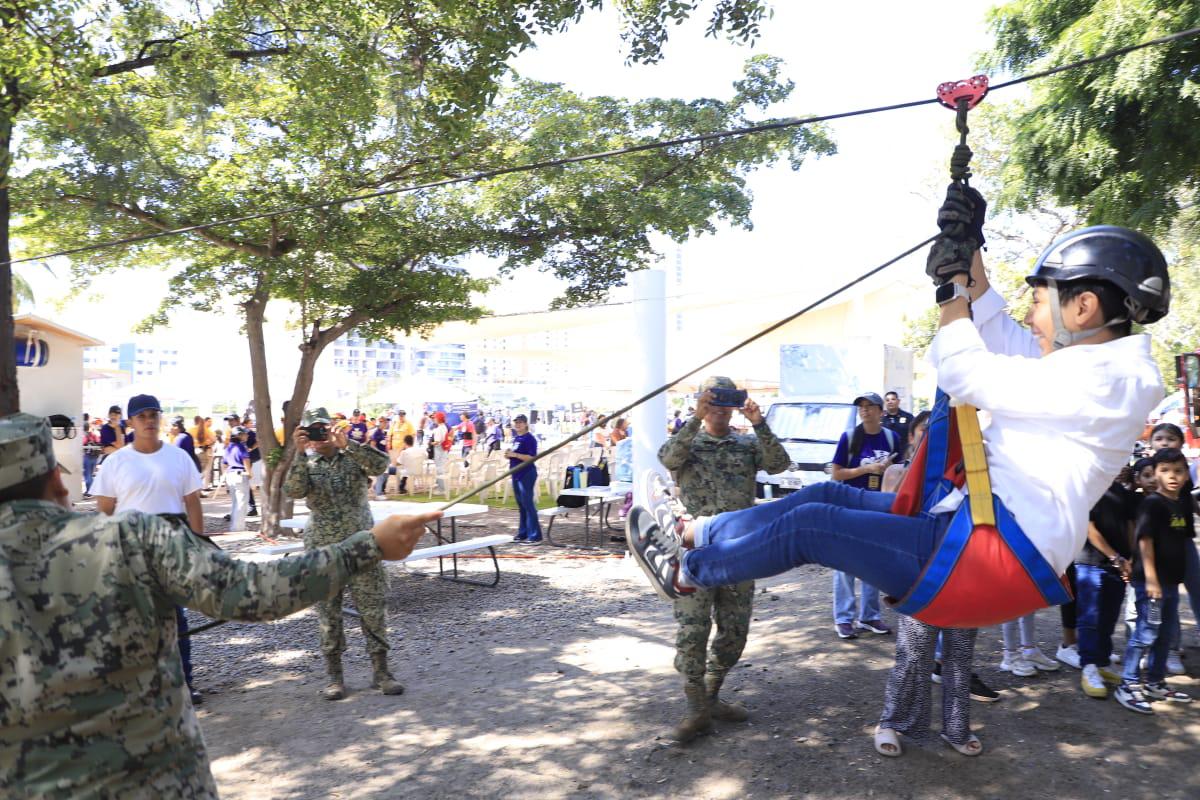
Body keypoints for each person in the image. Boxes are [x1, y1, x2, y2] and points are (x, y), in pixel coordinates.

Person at [627, 211, 1169, 642]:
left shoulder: (1112, 380)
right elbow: (996, 329)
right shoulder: (1090, 366)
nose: (1031, 316)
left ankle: (691, 570)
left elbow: (965, 367)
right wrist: (968, 245)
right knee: (821, 497)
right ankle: (694, 531)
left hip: (992, 555)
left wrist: (949, 293)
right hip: (977, 530)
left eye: (1038, 301)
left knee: (812, 526)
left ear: (1084, 307)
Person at [0, 412, 439, 797]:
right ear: (56, 478)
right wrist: (365, 548)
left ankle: (379, 668)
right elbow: (249, 591)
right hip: (152, 784)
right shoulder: (130, 539)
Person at [655, 377, 791, 743]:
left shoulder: (746, 444)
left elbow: (780, 464)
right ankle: (696, 709)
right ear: (701, 402)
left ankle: (712, 694)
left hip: (739, 551)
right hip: (695, 551)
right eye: (711, 400)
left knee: (734, 631)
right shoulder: (689, 442)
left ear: (734, 405)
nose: (718, 406)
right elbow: (667, 458)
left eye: (724, 400)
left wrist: (759, 423)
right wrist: (694, 419)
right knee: (692, 631)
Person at [90, 395, 206, 705]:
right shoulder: (115, 463)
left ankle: (184, 683)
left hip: (172, 554)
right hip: (131, 556)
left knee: (176, 621)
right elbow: (104, 511)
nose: (149, 420)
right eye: (142, 416)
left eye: (154, 414)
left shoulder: (178, 458)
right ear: (130, 422)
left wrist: (198, 549)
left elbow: (193, 503)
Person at [284, 408, 399, 700]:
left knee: (372, 608)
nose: (320, 436)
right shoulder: (307, 464)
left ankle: (381, 672)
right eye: (313, 430)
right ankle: (335, 677)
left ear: (333, 428)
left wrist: (348, 444)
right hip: (323, 550)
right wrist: (298, 453)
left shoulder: (353, 456)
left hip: (361, 546)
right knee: (328, 613)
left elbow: (381, 465)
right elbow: (294, 490)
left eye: (323, 428)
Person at [1114, 448, 1195, 713]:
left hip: (1171, 584)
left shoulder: (1180, 503)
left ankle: (1155, 681)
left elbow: (1180, 542)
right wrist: (1151, 580)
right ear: (1156, 473)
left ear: (1186, 475)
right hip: (1152, 585)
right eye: (1165, 471)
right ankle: (1127, 684)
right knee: (1146, 632)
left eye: (1178, 471)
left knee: (1166, 634)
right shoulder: (1153, 503)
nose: (1172, 476)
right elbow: (1145, 541)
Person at [829, 392, 901, 639]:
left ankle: (869, 616)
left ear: (881, 411)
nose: (865, 410)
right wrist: (867, 469)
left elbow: (901, 471)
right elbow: (836, 474)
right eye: (861, 406)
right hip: (849, 507)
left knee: (873, 563)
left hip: (878, 509)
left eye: (870, 406)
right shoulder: (849, 438)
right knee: (845, 564)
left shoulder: (892, 438)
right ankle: (844, 618)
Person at [1076, 476, 1136, 698]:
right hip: (1091, 562)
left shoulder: (1121, 490)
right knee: (1089, 619)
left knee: (1109, 618)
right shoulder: (1087, 486)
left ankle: (1102, 662)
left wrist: (1130, 559)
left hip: (1118, 566)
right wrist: (1116, 557)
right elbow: (1089, 529)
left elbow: (1130, 525)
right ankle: (1089, 666)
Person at [505, 414, 542, 544]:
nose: (518, 424)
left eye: (520, 422)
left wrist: (514, 454)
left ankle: (535, 535)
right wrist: (509, 455)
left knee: (528, 504)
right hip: (516, 473)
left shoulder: (530, 439)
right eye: (516, 422)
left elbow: (531, 457)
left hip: (526, 473)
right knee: (521, 505)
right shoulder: (517, 438)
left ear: (526, 424)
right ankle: (523, 533)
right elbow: (516, 455)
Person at [223, 425, 252, 531]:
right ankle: (238, 527)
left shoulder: (229, 447)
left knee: (235, 502)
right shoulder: (241, 446)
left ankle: (235, 526)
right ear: (239, 435)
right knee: (242, 502)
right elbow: (246, 459)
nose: (247, 435)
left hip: (230, 475)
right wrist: (249, 472)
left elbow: (224, 463)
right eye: (245, 433)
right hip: (240, 475)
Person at [189, 415, 217, 491]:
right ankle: (199, 485)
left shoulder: (190, 430)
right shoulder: (205, 429)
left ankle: (195, 485)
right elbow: (214, 439)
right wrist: (209, 444)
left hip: (193, 451)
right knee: (204, 470)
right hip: (203, 450)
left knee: (195, 469)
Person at [370, 415, 391, 498]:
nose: (385, 424)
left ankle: (376, 487)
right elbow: (372, 445)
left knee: (386, 474)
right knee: (381, 475)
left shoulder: (383, 433)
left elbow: (385, 445)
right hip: (379, 457)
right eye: (383, 422)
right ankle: (378, 493)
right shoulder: (377, 433)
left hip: (384, 456)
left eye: (386, 422)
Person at [82, 417, 102, 497]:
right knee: (91, 474)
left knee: (87, 474)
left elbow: (82, 444)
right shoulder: (94, 434)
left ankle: (89, 492)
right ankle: (91, 490)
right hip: (95, 457)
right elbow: (99, 442)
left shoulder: (84, 435)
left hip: (87, 456)